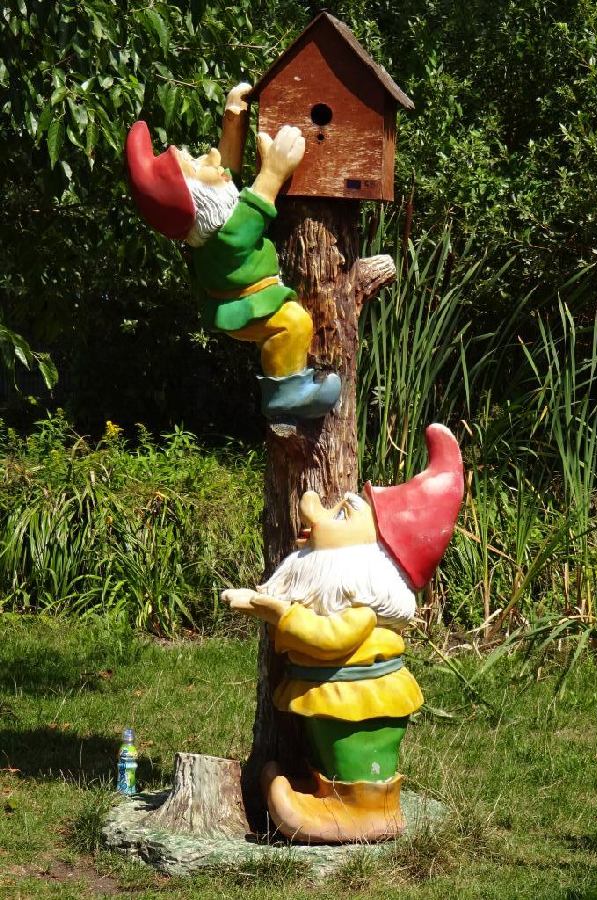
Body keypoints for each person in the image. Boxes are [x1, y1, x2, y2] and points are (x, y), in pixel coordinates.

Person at [224, 423, 464, 842]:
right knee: (329, 746)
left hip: (361, 700)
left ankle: (365, 808)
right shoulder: (343, 583)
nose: (313, 511)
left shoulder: (361, 610)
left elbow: (328, 639)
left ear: (370, 554)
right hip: (338, 696)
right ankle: (330, 790)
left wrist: (276, 611)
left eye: (340, 515)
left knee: (354, 748)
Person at [125, 83, 341, 420]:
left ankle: (290, 387)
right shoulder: (229, 233)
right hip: (246, 306)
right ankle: (285, 395)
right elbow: (259, 197)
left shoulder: (214, 216)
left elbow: (226, 172)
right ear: (198, 200)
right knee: (294, 324)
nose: (211, 156)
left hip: (245, 299)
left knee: (292, 322)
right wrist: (274, 169)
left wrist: (234, 118)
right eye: (198, 164)